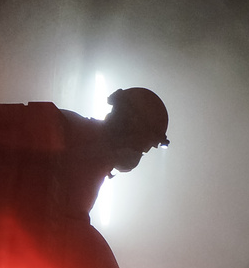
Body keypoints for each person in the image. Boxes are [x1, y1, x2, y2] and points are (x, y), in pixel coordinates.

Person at [59, 87, 169, 218]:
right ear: (125, 125)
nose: (140, 153)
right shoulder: (65, 127)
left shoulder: (97, 166)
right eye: (141, 144)